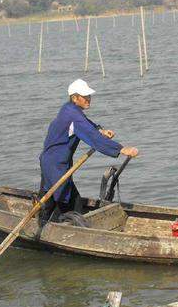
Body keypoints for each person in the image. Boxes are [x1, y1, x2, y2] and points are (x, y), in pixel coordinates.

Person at [38, 79, 138, 225]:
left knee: (50, 198)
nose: (88, 99)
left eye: (89, 96)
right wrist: (121, 149)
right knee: (73, 204)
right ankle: (52, 229)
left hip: (51, 161)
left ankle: (42, 224)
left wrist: (99, 130)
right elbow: (93, 139)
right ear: (74, 98)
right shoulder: (72, 115)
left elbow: (86, 125)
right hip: (56, 165)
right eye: (85, 97)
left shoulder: (68, 109)